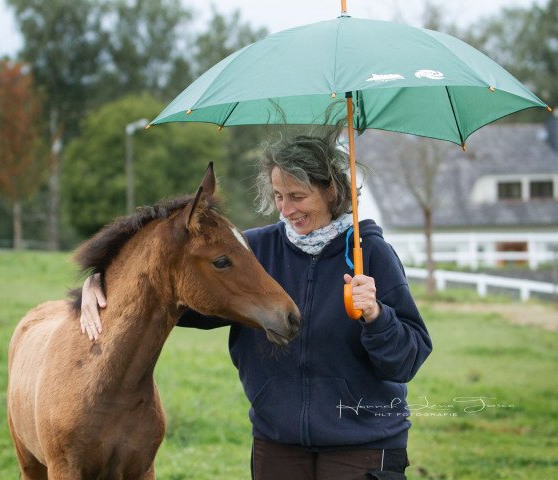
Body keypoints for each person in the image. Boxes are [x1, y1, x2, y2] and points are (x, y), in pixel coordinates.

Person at [80, 129, 432, 480]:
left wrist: (377, 316)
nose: (287, 209)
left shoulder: (370, 253)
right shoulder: (252, 252)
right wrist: (101, 284)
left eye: (297, 195)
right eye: (279, 196)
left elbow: (407, 360)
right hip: (278, 445)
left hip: (363, 445)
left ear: (330, 191)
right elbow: (172, 292)